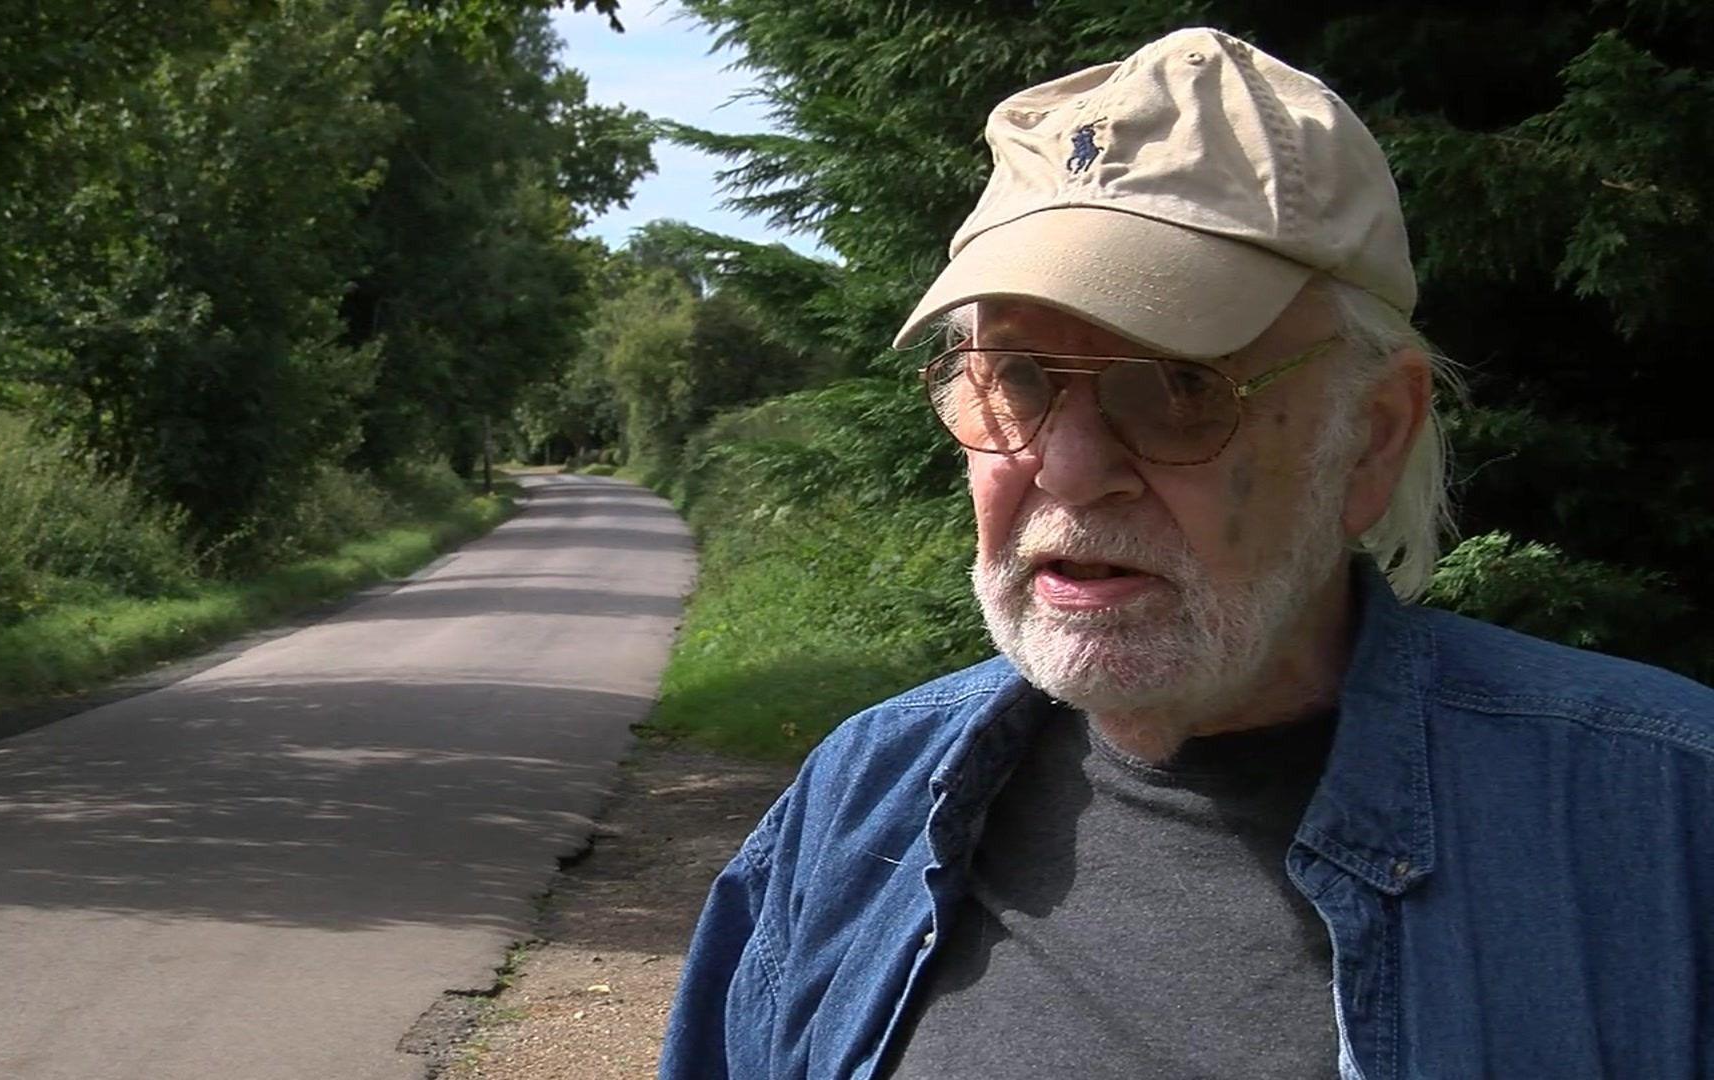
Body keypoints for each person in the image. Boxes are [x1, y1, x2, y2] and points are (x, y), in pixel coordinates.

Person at [657, 26, 1714, 1080]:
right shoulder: (864, 793)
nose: (1068, 469)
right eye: (1018, 379)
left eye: (1175, 387)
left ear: (1373, 432)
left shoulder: (1663, 824)